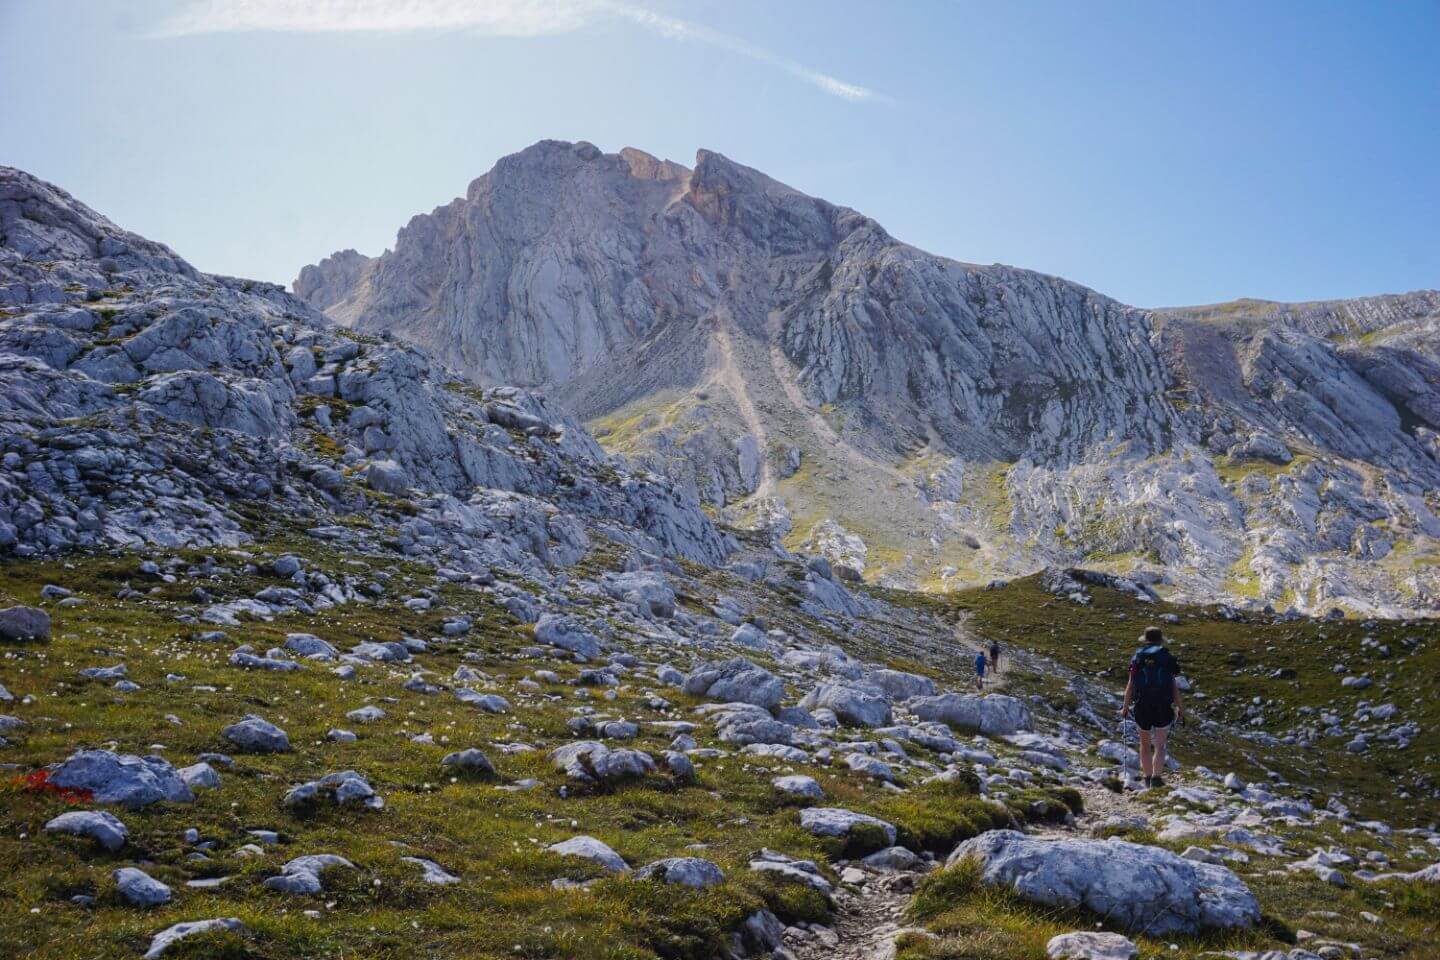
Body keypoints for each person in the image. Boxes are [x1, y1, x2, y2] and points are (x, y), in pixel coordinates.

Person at [1119, 626, 1183, 788]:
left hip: (1142, 705)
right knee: (1160, 745)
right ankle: (1156, 778)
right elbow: (1173, 685)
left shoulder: (1137, 657)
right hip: (1163, 705)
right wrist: (1180, 707)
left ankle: (1147, 778)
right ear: (1161, 640)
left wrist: (1125, 706)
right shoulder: (1167, 657)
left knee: (1144, 744)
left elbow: (1131, 684)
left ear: (1146, 640)